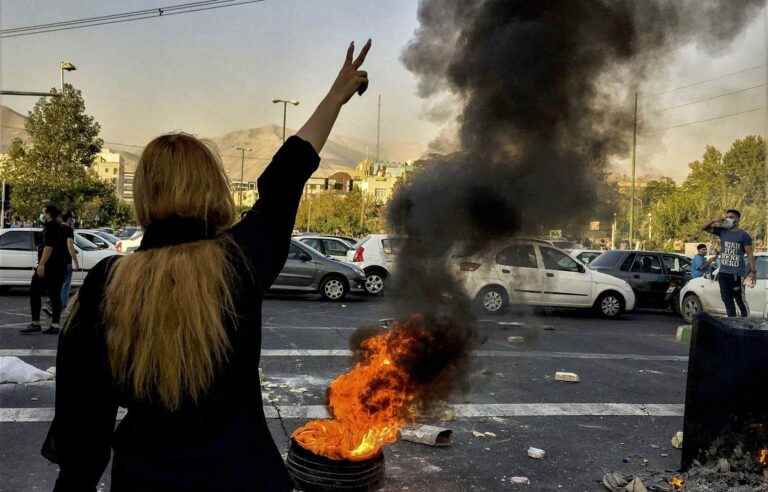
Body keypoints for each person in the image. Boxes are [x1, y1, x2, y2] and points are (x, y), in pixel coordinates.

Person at [42, 39, 371, 492]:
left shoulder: (106, 285)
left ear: (143, 195)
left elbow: (83, 434)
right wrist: (336, 97)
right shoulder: (240, 260)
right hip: (245, 477)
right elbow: (286, 176)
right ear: (212, 186)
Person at [20, 204, 69, 334]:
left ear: (48, 214)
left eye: (43, 212)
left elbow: (49, 247)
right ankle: (55, 325)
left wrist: (41, 264)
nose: (42, 215)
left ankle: (36, 323)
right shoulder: (62, 227)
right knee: (55, 295)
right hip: (59, 265)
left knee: (35, 290)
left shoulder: (51, 226)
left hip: (49, 266)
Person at [703, 209, 756, 317]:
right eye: (727, 217)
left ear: (737, 219)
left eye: (731, 217)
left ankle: (746, 322)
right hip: (723, 273)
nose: (728, 219)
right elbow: (704, 228)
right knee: (727, 299)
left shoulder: (744, 235)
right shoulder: (722, 231)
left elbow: (750, 254)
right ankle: (732, 321)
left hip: (736, 274)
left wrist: (753, 271)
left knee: (739, 299)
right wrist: (716, 220)